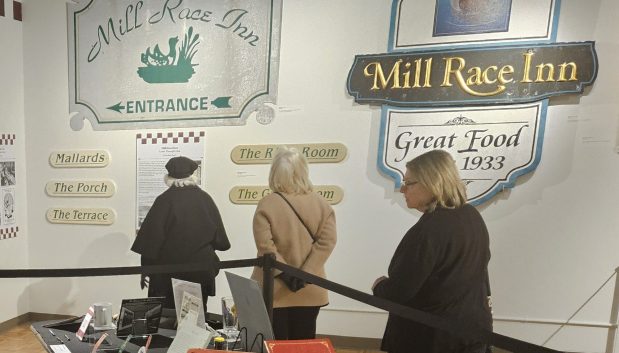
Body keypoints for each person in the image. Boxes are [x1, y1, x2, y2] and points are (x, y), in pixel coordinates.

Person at [372, 149, 492, 353]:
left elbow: (400, 292)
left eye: (409, 183)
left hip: (430, 339)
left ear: (432, 183)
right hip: (470, 333)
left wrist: (380, 286)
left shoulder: (429, 229)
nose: (402, 190)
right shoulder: (471, 216)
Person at [251, 146, 337, 340]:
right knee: (304, 342)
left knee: (276, 343)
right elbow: (327, 242)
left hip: (275, 288)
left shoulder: (267, 203)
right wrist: (305, 274)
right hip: (310, 287)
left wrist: (286, 273)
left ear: (274, 173)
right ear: (303, 171)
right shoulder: (322, 204)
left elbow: (265, 246)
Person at [131, 156, 230, 311]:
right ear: (193, 176)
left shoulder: (163, 201)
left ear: (168, 178)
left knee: (166, 323)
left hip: (167, 277)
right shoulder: (205, 200)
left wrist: (145, 271)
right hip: (200, 273)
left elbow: (150, 243)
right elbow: (222, 243)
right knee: (194, 323)